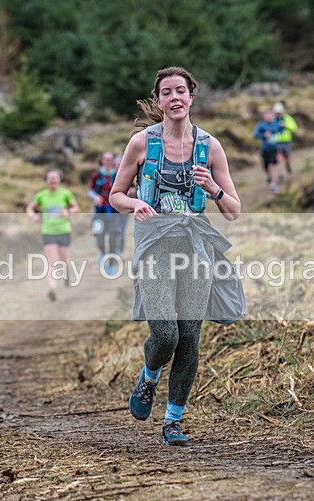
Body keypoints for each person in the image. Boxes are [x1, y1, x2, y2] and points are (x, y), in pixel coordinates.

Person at [109, 66, 243, 446]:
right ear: (159, 101)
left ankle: (173, 421)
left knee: (190, 337)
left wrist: (214, 188)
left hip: (196, 251)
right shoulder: (141, 143)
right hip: (154, 247)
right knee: (165, 332)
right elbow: (115, 195)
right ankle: (149, 376)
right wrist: (134, 203)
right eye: (166, 92)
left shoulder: (210, 146)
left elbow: (233, 210)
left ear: (191, 97)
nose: (174, 98)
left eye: (180, 91)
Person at [26, 169, 79, 301]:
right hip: (48, 231)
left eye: (55, 178)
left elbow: (75, 207)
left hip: (63, 230)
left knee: (64, 260)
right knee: (52, 262)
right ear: (46, 181)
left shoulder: (65, 194)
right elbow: (30, 207)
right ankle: (53, 289)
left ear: (59, 180)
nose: (53, 181)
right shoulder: (41, 195)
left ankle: (66, 275)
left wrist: (68, 212)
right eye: (50, 179)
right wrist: (32, 215)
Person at [87, 152, 122, 272]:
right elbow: (90, 191)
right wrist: (95, 197)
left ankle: (111, 264)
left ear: (113, 161)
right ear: (102, 160)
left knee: (113, 238)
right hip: (99, 211)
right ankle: (102, 253)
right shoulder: (97, 175)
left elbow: (124, 191)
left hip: (113, 212)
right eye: (105, 159)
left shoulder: (118, 175)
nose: (107, 161)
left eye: (110, 159)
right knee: (99, 235)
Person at [253, 110, 282, 193]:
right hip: (265, 149)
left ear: (273, 116)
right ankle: (269, 176)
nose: (269, 117)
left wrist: (283, 127)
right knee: (266, 167)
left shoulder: (276, 124)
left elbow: (281, 130)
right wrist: (264, 135)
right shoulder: (261, 125)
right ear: (264, 117)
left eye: (270, 115)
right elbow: (255, 135)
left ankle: (273, 184)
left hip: (274, 148)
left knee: (272, 165)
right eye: (267, 115)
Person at [272, 102, 298, 178]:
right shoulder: (273, 120)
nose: (278, 115)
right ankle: (280, 174)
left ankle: (288, 166)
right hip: (277, 142)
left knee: (287, 157)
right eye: (276, 113)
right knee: (278, 159)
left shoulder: (287, 118)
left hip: (287, 141)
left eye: (279, 113)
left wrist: (286, 125)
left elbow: (294, 127)